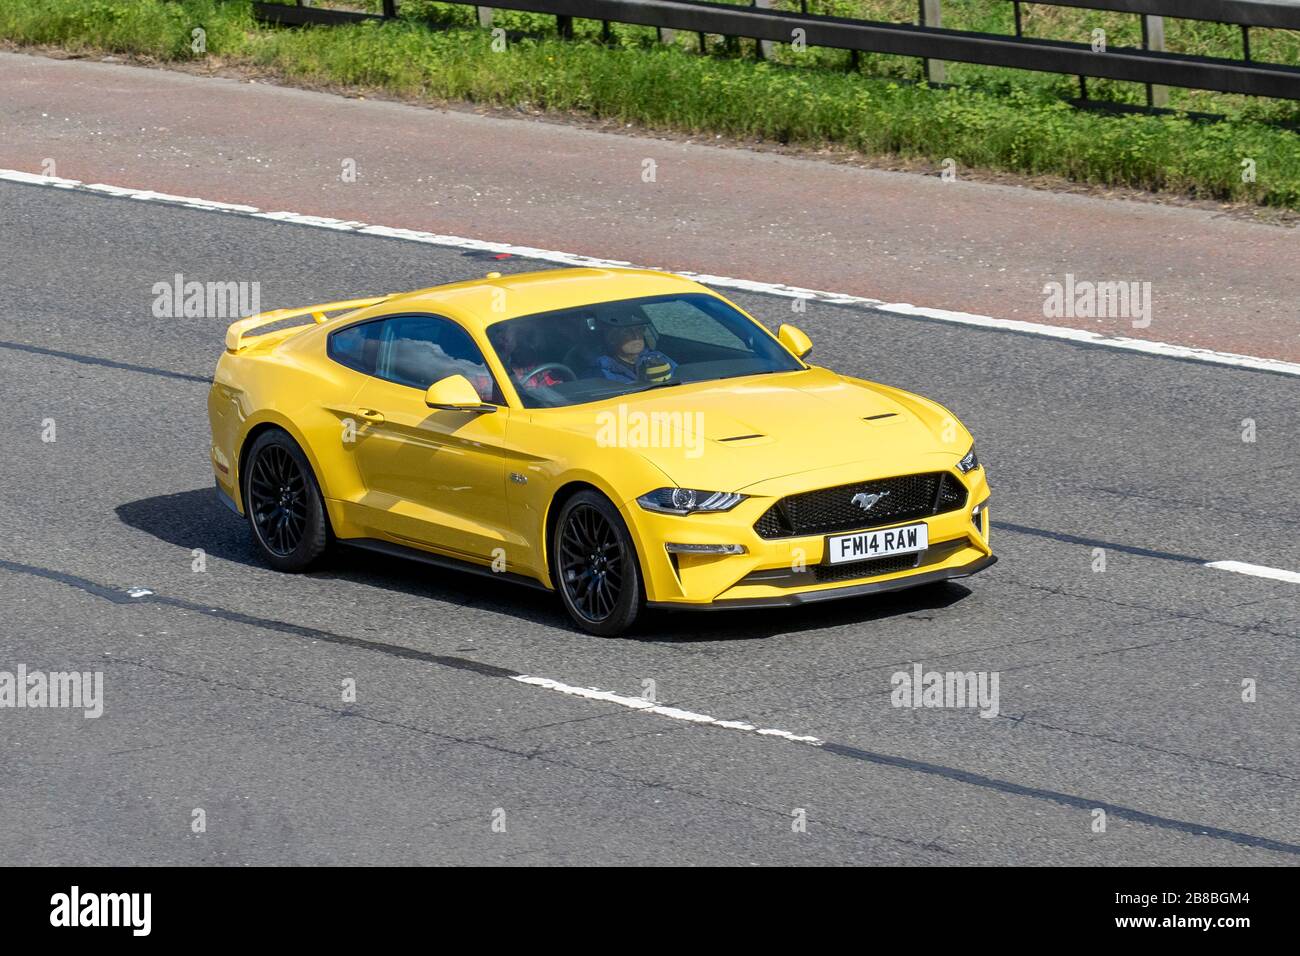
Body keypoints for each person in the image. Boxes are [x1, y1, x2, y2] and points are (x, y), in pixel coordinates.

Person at [596, 321, 676, 384]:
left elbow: (681, 378)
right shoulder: (602, 371)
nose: (636, 336)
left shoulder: (658, 357)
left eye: (639, 330)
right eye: (626, 332)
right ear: (612, 339)